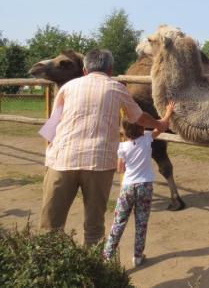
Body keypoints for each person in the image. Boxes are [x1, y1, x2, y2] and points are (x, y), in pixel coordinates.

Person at [39, 49, 169, 246]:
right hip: (98, 163)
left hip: (61, 161)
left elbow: (53, 124)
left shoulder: (68, 87)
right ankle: (94, 273)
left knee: (50, 227)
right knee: (94, 229)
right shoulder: (117, 88)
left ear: (84, 69)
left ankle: (46, 272)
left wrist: (49, 156)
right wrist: (160, 124)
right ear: (110, 70)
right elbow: (138, 117)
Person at [103, 101, 175, 266]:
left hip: (128, 187)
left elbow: (120, 169)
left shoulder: (122, 147)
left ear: (125, 131)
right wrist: (168, 112)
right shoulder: (148, 138)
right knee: (141, 223)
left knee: (119, 222)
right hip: (145, 186)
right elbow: (163, 126)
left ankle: (107, 255)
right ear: (143, 128)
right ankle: (137, 256)